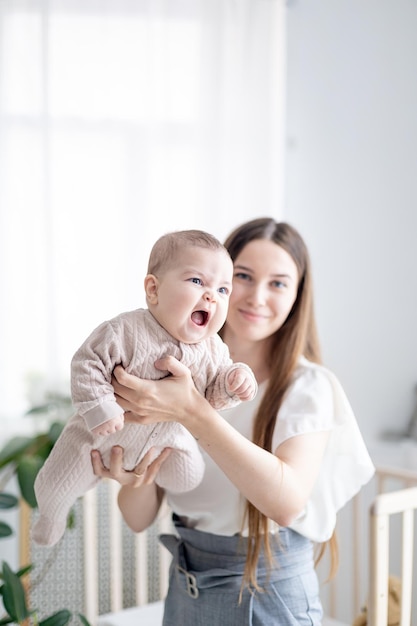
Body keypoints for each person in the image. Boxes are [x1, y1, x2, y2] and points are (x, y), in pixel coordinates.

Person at [91, 218, 375, 625]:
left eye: (278, 283)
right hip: (187, 588)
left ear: (297, 297)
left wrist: (192, 411)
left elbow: (287, 504)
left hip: (268, 594)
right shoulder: (171, 375)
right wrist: (133, 477)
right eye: (243, 276)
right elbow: (138, 518)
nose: (257, 297)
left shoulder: (308, 386)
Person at [33, 229, 257, 547]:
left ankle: (159, 472)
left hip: (164, 439)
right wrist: (101, 408)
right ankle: (50, 519)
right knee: (56, 484)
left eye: (222, 289)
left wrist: (233, 382)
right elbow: (86, 364)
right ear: (153, 289)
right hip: (96, 433)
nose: (211, 296)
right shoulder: (126, 330)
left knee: (189, 476)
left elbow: (211, 395)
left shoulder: (214, 350)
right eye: (197, 281)